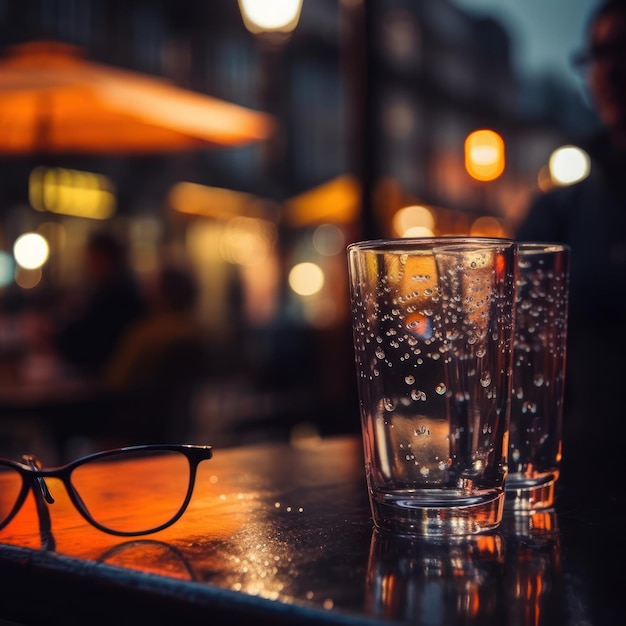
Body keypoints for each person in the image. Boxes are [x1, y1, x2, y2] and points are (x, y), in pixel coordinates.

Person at [515, 0, 626, 493]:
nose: (610, 69)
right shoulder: (559, 210)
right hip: (583, 474)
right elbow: (514, 334)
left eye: (621, 49)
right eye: (598, 55)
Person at [97, 260, 212, 446]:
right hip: (180, 429)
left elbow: (115, 381)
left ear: (160, 293)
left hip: (132, 425)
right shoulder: (198, 332)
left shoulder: (146, 333)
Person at [51, 230, 148, 376]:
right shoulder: (120, 290)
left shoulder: (116, 297)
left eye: (90, 259)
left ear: (104, 259)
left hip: (102, 384)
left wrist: (54, 337)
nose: (86, 265)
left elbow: (91, 346)